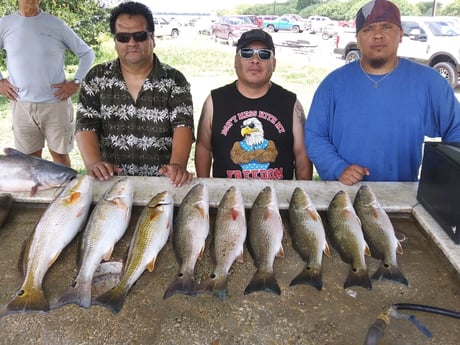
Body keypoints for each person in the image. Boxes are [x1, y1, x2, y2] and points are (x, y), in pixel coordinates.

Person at [305, 0, 460, 185]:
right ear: (357, 38)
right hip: (345, 195)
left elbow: (455, 129)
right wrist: (337, 167)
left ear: (401, 34)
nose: (378, 35)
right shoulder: (332, 84)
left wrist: (442, 178)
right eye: (368, 29)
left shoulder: (429, 82)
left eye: (386, 27)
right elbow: (314, 135)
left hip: (401, 196)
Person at [75, 1, 194, 187]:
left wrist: (177, 165)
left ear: (152, 38)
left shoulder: (174, 80)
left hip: (162, 186)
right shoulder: (96, 78)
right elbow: (85, 125)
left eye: (139, 36)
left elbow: (183, 126)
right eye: (123, 37)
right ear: (115, 41)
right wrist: (94, 163)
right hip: (110, 184)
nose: (132, 43)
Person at [195, 29, 312, 180]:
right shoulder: (214, 101)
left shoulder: (291, 104)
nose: (255, 59)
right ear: (236, 61)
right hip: (228, 199)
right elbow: (203, 148)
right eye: (246, 53)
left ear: (274, 64)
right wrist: (206, 188)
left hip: (277, 200)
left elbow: (302, 157)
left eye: (264, 54)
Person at [0, 0, 95, 167]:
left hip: (55, 104)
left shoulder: (56, 25)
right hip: (21, 105)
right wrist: (0, 81)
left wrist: (76, 81)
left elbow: (87, 53)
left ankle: (67, 193)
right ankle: (37, 192)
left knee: (59, 157)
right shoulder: (5, 24)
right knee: (30, 161)